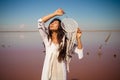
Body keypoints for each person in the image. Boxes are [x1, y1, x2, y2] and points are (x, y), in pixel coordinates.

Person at [38, 8, 83, 80]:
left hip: (60, 75)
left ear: (60, 27)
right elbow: (40, 22)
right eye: (51, 23)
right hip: (47, 75)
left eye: (55, 23)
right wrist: (55, 13)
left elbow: (79, 51)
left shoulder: (66, 42)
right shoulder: (47, 39)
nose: (52, 24)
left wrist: (78, 38)